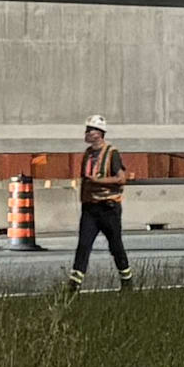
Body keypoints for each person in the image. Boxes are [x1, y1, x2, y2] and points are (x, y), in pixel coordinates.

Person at [69, 116, 135, 290]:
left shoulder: (111, 153)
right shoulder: (87, 155)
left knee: (115, 246)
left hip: (109, 208)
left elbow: (121, 179)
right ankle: (73, 285)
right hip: (90, 208)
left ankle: (127, 282)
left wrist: (98, 182)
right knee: (83, 245)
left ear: (98, 133)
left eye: (90, 130)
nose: (86, 133)